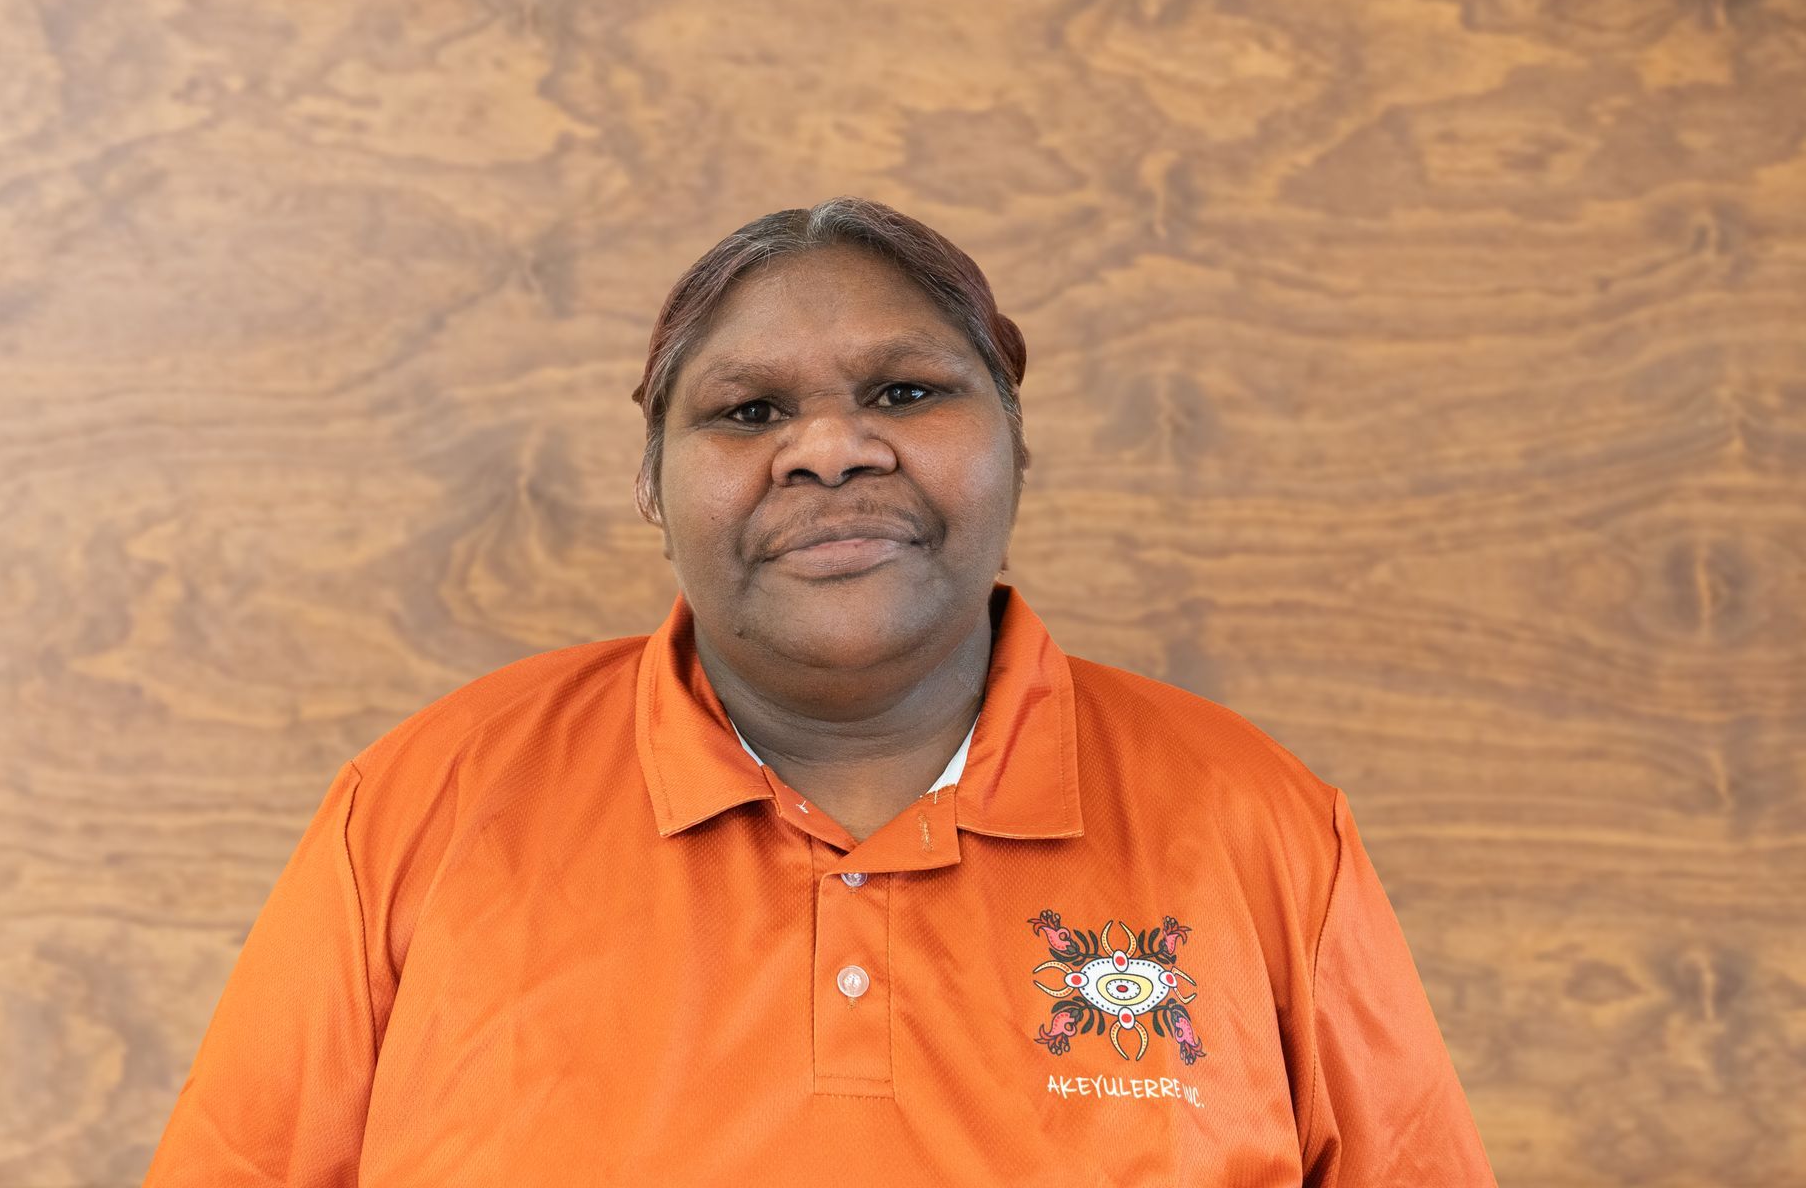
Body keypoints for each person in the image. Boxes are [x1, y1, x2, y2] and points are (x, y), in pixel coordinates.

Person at [144, 197, 1498, 1185]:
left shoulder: (1254, 822)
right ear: (653, 489)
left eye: (906, 391)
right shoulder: (426, 807)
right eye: (748, 413)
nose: (831, 451)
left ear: (1017, 452)